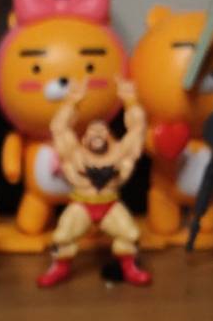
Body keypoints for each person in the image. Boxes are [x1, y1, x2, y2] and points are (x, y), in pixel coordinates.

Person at [40, 79, 149, 287]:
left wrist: (131, 101)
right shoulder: (76, 154)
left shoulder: (118, 153)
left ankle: (130, 268)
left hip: (109, 204)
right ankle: (59, 268)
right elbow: (59, 128)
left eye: (102, 131)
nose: (97, 133)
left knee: (130, 234)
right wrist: (71, 102)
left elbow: (137, 129)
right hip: (81, 203)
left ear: (111, 137)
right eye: (92, 131)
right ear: (83, 139)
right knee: (62, 236)